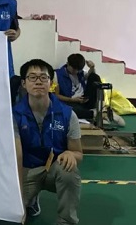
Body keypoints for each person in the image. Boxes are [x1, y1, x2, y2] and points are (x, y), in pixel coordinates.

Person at [14, 59, 82, 224]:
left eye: (43, 77)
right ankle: (30, 200)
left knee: (69, 171)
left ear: (51, 83)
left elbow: (78, 153)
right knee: (12, 216)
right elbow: (17, 157)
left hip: (54, 169)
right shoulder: (13, 115)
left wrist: (71, 154)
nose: (38, 81)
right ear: (23, 83)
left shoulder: (67, 114)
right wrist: (19, 204)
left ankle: (66, 221)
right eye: (32, 77)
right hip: (27, 170)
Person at [55, 54, 102, 120]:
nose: (76, 71)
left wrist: (92, 68)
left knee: (95, 77)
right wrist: (72, 100)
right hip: (71, 101)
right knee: (69, 110)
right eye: (74, 69)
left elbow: (91, 78)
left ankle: (100, 107)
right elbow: (56, 95)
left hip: (85, 99)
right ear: (68, 64)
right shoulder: (57, 74)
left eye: (78, 70)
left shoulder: (80, 73)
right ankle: (94, 114)